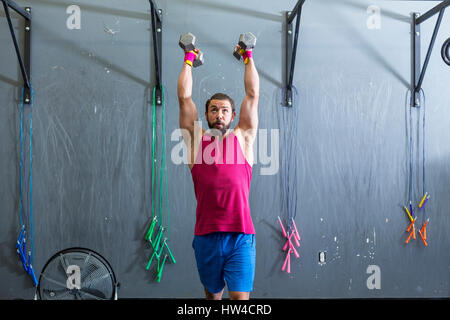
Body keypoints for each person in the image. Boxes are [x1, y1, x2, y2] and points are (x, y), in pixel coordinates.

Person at [177, 42, 259, 300]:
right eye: (214, 110)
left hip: (240, 236)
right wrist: (189, 58)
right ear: (206, 114)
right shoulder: (195, 142)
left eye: (224, 110)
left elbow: (253, 94)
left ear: (233, 115)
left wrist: (248, 57)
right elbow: (183, 97)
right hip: (206, 237)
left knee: (239, 301)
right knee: (213, 299)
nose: (219, 115)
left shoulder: (243, 138)